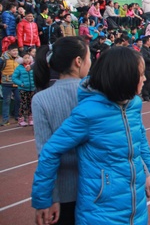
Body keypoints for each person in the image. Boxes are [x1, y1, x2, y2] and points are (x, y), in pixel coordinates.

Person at [31, 47, 150, 225]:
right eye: (140, 74)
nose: (145, 79)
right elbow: (50, 151)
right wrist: (43, 199)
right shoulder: (88, 113)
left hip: (136, 208)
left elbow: (141, 138)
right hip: (100, 211)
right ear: (124, 76)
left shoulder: (134, 104)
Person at [30, 37, 91, 223]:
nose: (90, 63)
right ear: (78, 61)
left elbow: (45, 153)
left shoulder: (40, 99)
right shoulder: (95, 93)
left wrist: (51, 196)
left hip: (63, 193)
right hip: (95, 187)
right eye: (89, 58)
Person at [12, 50, 35, 126]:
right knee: (23, 104)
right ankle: (21, 119)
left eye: (28, 58)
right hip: (23, 89)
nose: (27, 59)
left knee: (31, 104)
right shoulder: (19, 68)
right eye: (25, 58)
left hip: (32, 88)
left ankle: (30, 118)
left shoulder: (32, 67)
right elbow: (14, 78)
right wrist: (21, 84)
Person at [1, 43, 21, 126]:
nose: (15, 52)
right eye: (13, 51)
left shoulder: (19, 59)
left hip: (17, 83)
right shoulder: (3, 59)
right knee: (6, 101)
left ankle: (16, 116)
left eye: (16, 50)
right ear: (9, 51)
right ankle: (5, 119)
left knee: (18, 99)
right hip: (6, 83)